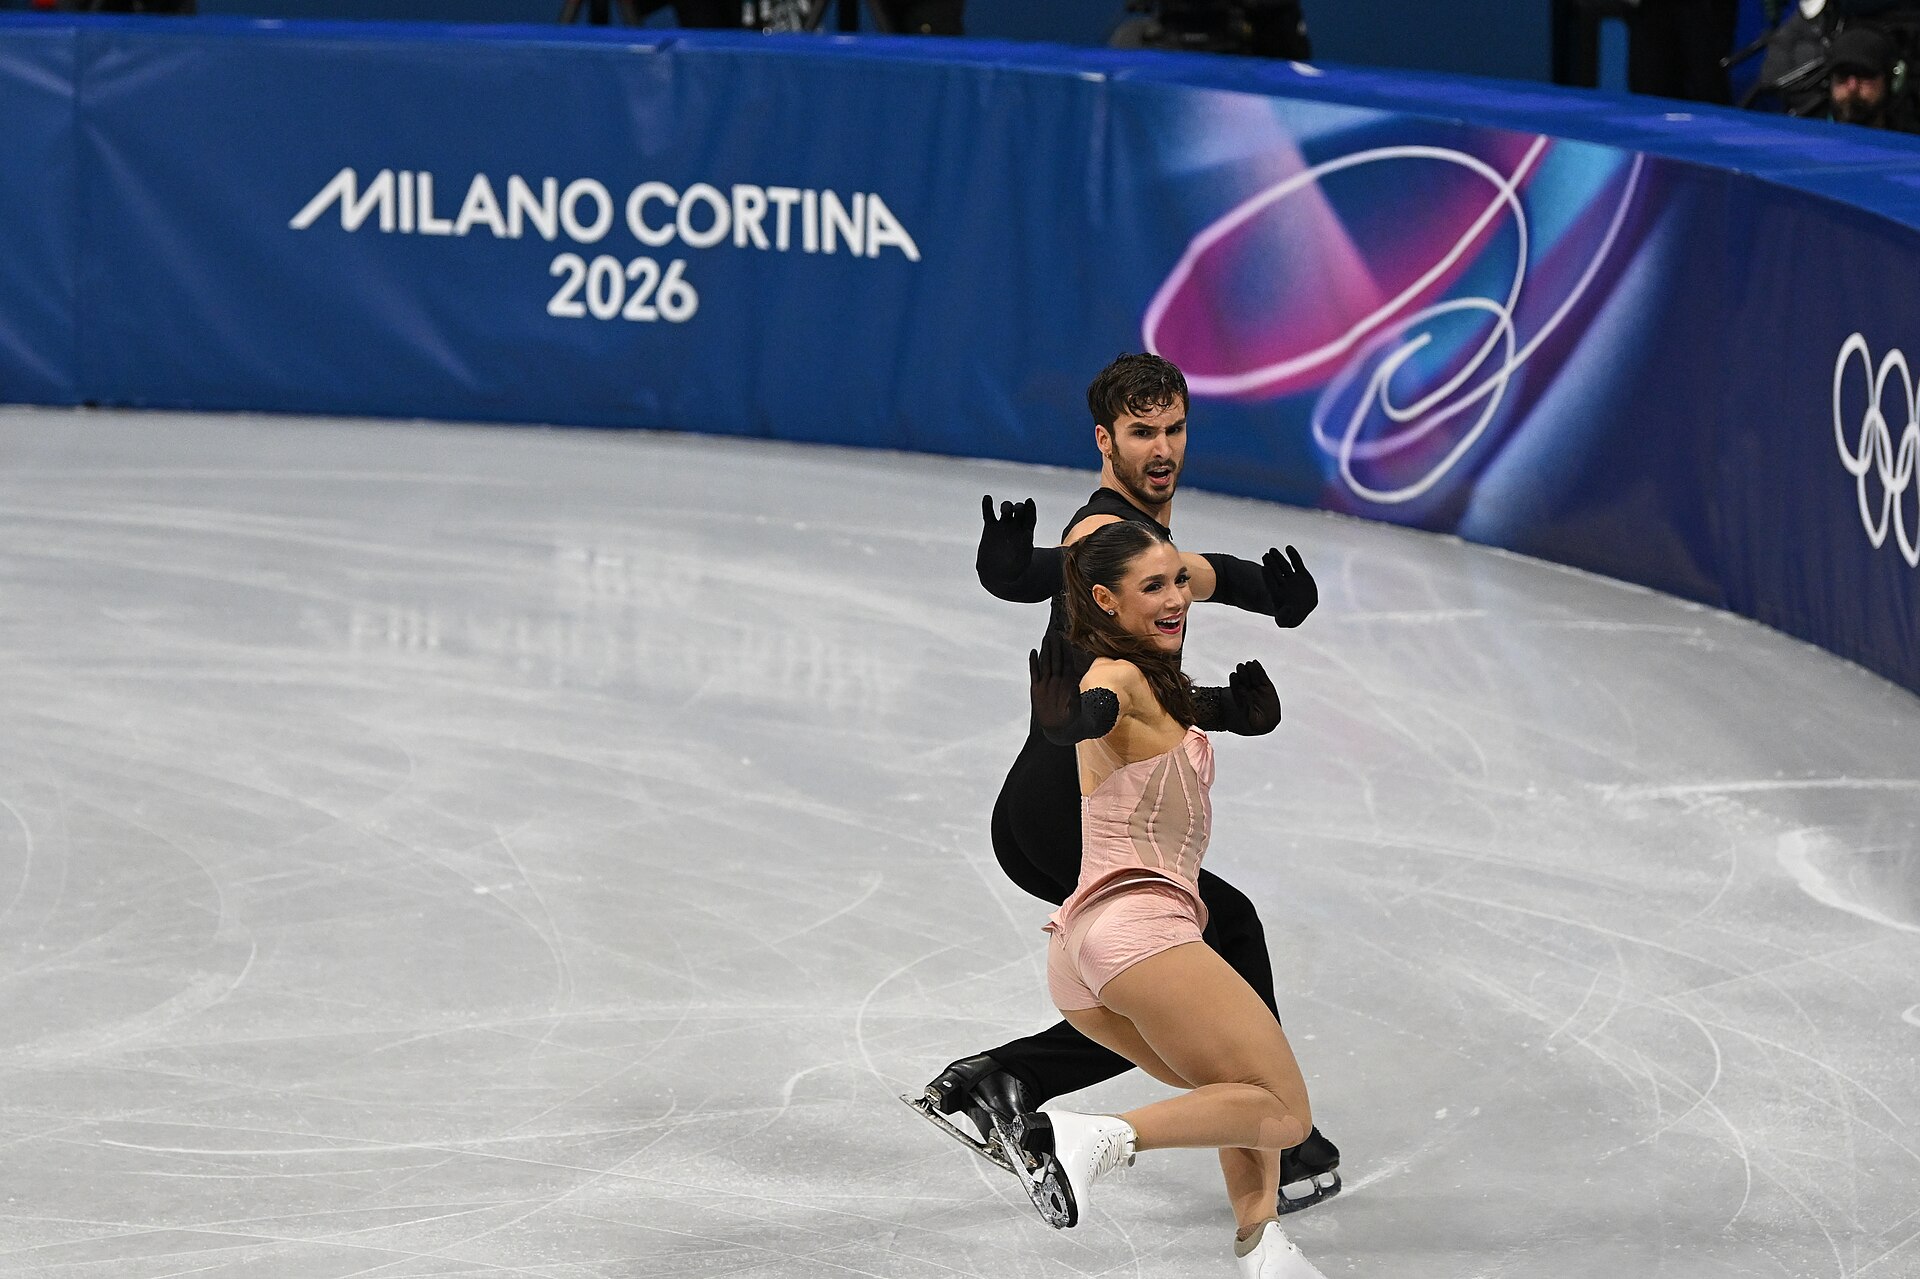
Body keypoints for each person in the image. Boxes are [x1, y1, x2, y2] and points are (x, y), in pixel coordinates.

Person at [906, 353, 1341, 1217]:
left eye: (1175, 428)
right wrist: (1003, 567)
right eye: (1144, 431)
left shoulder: (1153, 549)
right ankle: (1268, 1128)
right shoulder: (1098, 529)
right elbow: (1042, 569)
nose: (1163, 447)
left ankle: (1018, 1075)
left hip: (1056, 798)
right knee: (1194, 946)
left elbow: (1210, 570)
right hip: (1065, 804)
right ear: (1106, 440)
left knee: (1200, 945)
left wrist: (1277, 601)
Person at [1009, 520, 1329, 1278]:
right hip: (1139, 929)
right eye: (1152, 586)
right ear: (1104, 601)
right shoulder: (1114, 676)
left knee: (1237, 1092)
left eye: (1178, 580)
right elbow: (1097, 709)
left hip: (1086, 948)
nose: (1176, 596)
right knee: (1285, 1111)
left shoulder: (1156, 680)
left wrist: (1243, 715)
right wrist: (1062, 723)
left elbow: (1178, 712)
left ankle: (1261, 1246)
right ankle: (1095, 1136)